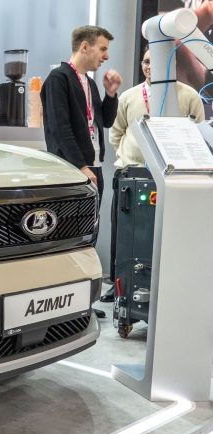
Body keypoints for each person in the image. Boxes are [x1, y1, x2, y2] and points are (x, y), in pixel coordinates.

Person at [99, 45, 204, 301]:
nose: (149, 66)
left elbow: (199, 134)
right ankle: (118, 283)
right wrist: (132, 157)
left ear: (171, 64)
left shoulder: (189, 96)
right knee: (122, 232)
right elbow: (116, 134)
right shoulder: (129, 96)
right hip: (130, 173)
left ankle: (169, 284)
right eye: (146, 62)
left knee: (168, 231)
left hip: (174, 176)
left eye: (155, 61)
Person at [41, 25, 122, 318]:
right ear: (85, 46)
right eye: (102, 48)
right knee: (68, 240)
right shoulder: (58, 78)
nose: (106, 56)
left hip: (92, 169)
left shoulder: (89, 83)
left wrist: (111, 94)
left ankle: (81, 304)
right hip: (73, 170)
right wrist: (80, 166)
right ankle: (60, 303)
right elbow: (60, 128)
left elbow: (105, 122)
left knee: (87, 238)